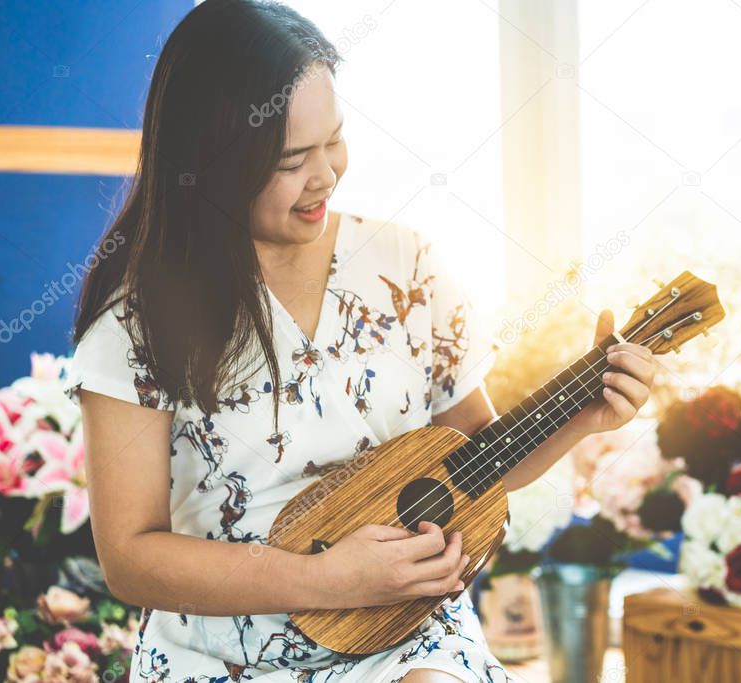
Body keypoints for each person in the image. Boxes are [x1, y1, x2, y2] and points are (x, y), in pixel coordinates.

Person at [63, 1, 656, 680]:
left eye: (334, 140)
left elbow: (473, 460)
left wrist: (586, 415)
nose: (326, 174)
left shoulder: (409, 266)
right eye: (291, 159)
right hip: (219, 653)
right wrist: (323, 581)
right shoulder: (138, 319)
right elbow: (130, 558)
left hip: (401, 636)